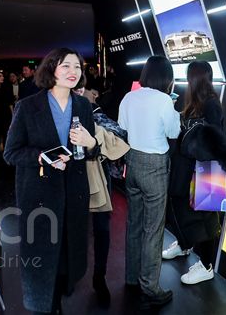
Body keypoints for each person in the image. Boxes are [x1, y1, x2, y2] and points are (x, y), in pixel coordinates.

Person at [4, 48, 99, 314]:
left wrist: (91, 142)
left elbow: (91, 152)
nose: (73, 72)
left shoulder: (83, 105)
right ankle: (47, 304)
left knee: (68, 253)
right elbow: (11, 153)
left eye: (77, 67)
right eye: (66, 66)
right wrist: (43, 157)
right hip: (40, 195)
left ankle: (58, 296)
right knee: (44, 258)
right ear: (51, 69)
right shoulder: (27, 107)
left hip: (74, 193)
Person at [162, 61, 226, 285]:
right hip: (194, 166)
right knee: (189, 214)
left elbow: (214, 138)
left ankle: (206, 266)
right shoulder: (196, 103)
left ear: (194, 79)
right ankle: (185, 246)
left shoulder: (211, 104)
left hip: (209, 168)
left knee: (207, 220)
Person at [119, 56, 180, 310]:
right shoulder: (165, 100)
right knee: (153, 229)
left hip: (132, 162)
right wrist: (173, 110)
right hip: (154, 166)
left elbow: (122, 127)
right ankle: (150, 288)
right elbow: (173, 132)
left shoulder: (129, 97)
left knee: (134, 223)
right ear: (166, 78)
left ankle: (132, 277)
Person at [76, 86, 130, 308]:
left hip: (97, 175)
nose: (77, 92)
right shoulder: (54, 111)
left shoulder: (94, 112)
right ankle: (68, 275)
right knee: (72, 228)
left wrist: (94, 136)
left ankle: (99, 277)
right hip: (69, 177)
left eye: (80, 88)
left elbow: (119, 134)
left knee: (102, 228)